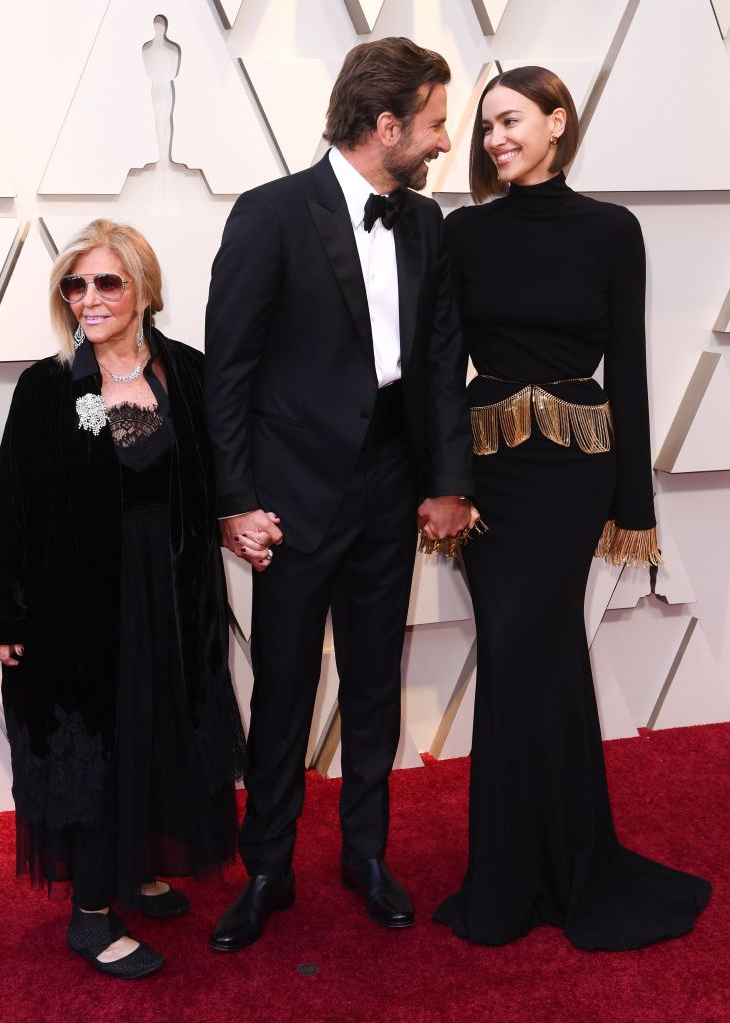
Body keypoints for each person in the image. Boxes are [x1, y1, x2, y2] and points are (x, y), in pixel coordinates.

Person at [204, 37, 476, 952]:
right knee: (283, 687)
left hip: (390, 485)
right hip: (290, 497)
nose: (444, 140)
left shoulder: (425, 223)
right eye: (434, 122)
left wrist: (448, 481)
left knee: (371, 684)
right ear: (385, 124)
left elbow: (440, 362)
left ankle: (366, 854)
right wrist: (234, 500)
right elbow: (228, 372)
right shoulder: (271, 213)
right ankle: (267, 868)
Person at [432, 66, 711, 949]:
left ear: (557, 122)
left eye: (510, 120)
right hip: (486, 476)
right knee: (524, 654)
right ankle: (524, 867)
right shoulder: (462, 232)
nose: (494, 139)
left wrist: (635, 503)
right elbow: (440, 365)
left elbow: (625, 362)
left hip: (570, 475)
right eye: (485, 126)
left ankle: (551, 865)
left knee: (530, 646)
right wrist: (439, 479)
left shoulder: (611, 230)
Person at [0, 219, 246, 978]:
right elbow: (11, 506)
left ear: (144, 290)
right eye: (75, 284)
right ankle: (91, 915)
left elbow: (221, 474)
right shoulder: (46, 387)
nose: (88, 298)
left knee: (160, 730)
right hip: (81, 612)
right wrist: (4, 615)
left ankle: (137, 864)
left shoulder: (187, 373)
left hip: (173, 599)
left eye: (106, 282)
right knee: (99, 743)